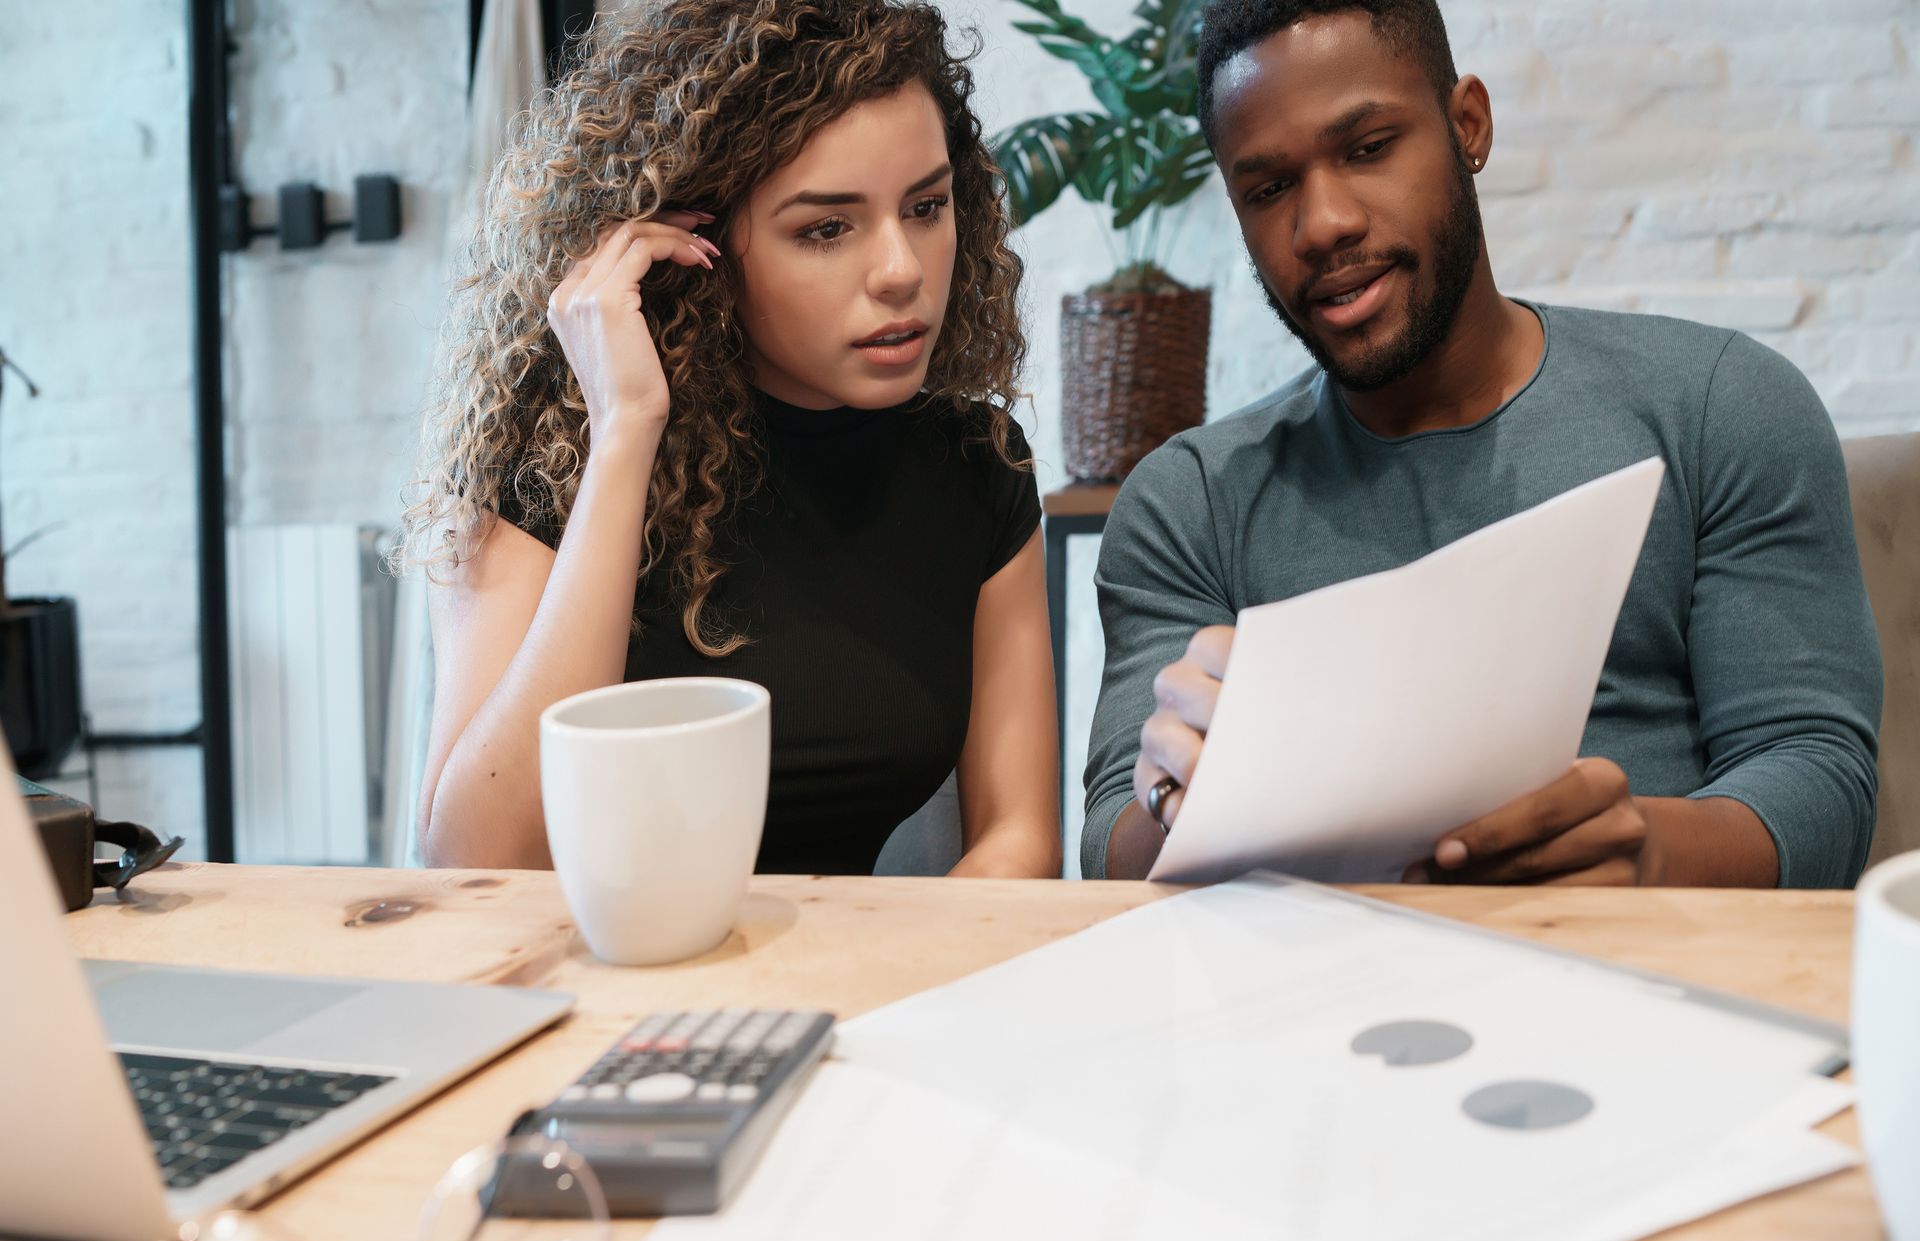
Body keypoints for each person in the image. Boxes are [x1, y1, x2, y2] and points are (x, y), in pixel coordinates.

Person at [1083, 0, 1881, 888]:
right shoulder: (1190, 503)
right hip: (1313, 996)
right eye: (1268, 189)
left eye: (1368, 147)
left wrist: (1642, 853)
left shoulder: (1720, 407)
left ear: (1468, 125)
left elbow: (1816, 781)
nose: (1323, 224)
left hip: (1652, 981)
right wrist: (1180, 800)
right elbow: (1111, 845)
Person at [399, 0, 1059, 877]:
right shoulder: (539, 461)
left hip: (857, 994)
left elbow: (1020, 841)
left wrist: (884, 990)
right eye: (826, 227)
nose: (902, 270)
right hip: (598, 991)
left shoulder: (976, 466)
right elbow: (478, 856)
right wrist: (626, 434)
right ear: (689, 239)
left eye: (927, 205)